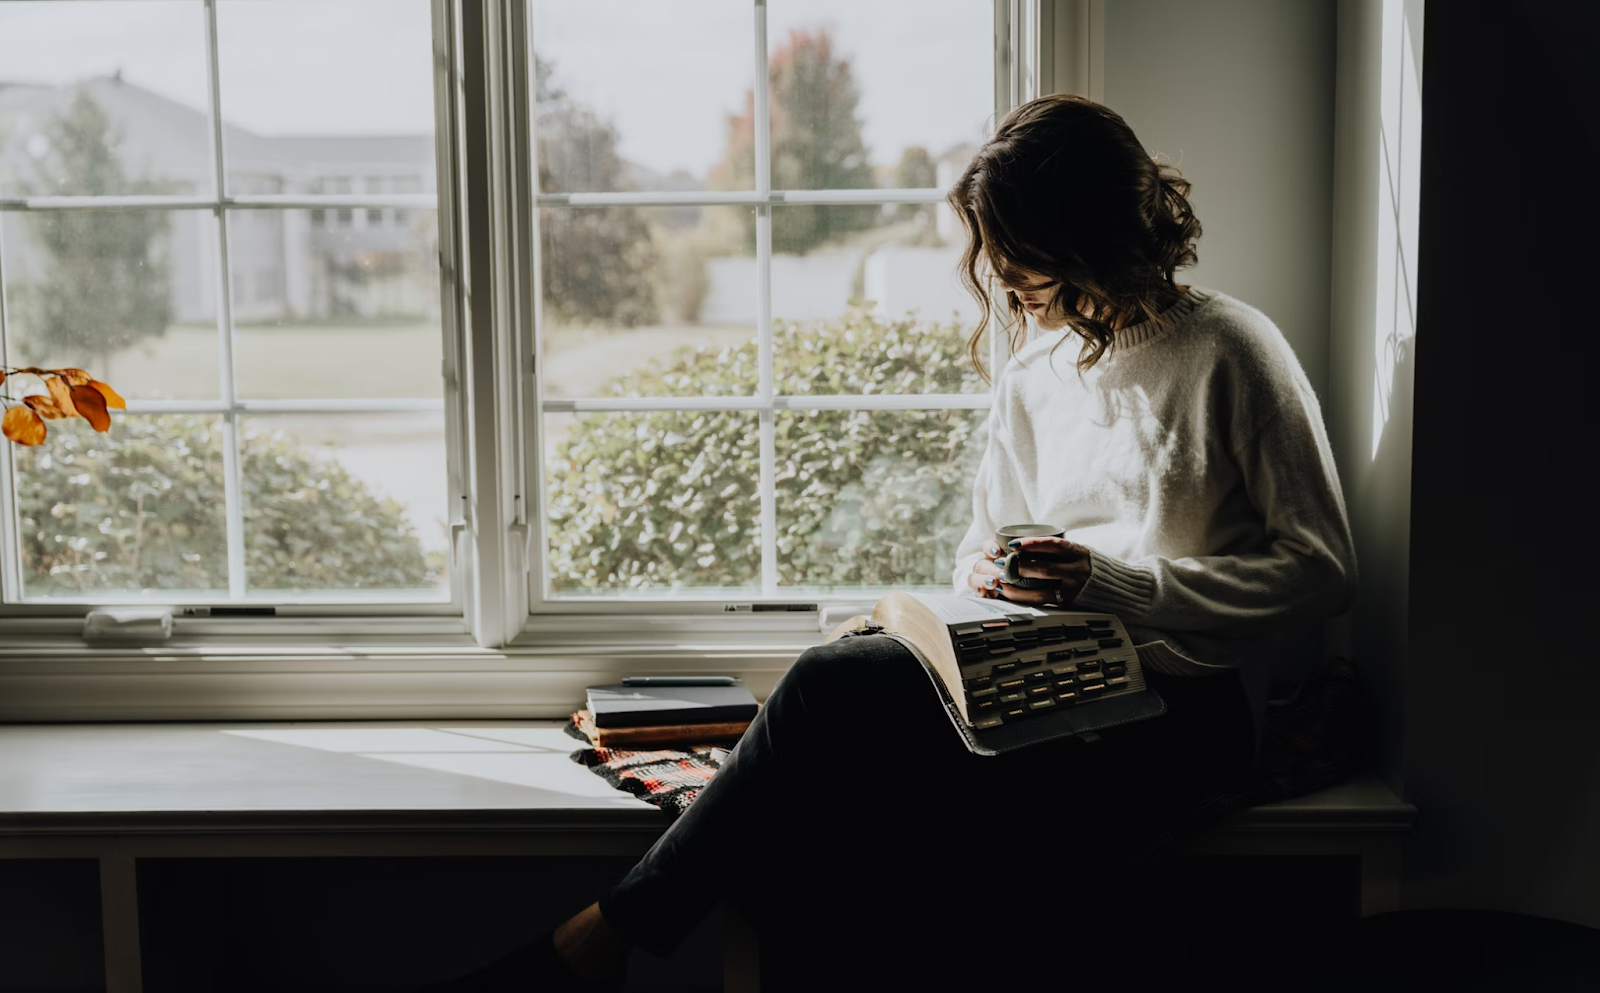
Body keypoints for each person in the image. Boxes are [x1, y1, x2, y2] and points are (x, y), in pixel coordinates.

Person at [435, 95, 1357, 991]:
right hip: (1037, 682)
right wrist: (999, 577)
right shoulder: (1035, 373)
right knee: (822, 822)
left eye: (1019, 252)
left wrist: (1116, 585)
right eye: (991, 251)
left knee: (830, 697)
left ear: (1089, 234)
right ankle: (601, 945)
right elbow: (978, 547)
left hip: (1179, 711)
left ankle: (596, 943)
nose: (998, 277)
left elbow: (1321, 571)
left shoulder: (1231, 350)